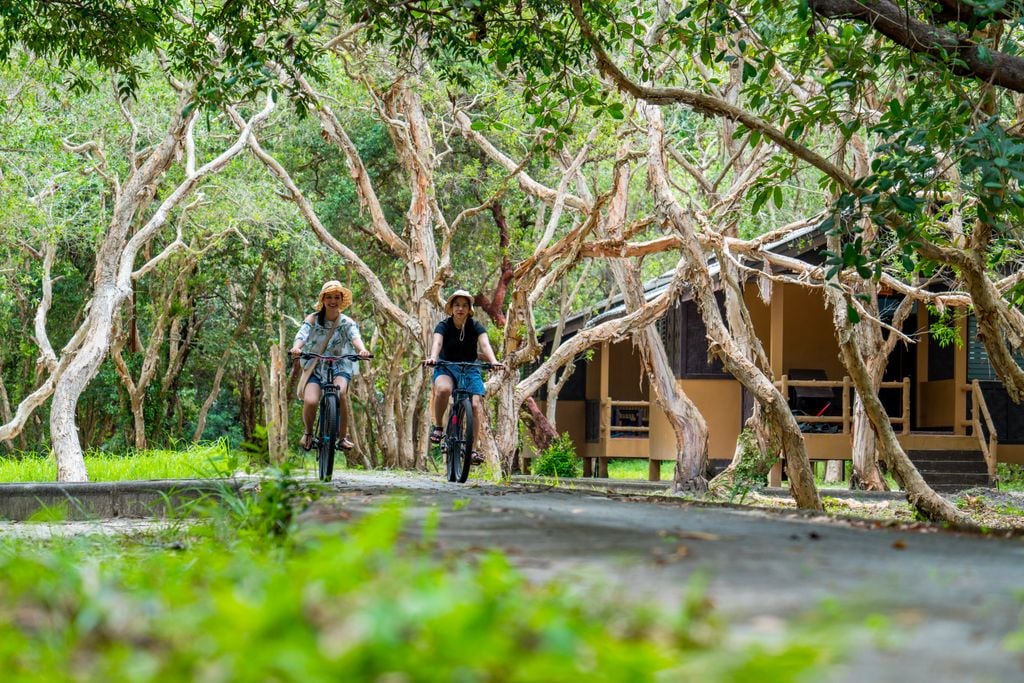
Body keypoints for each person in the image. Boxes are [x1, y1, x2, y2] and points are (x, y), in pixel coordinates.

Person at [289, 280, 370, 452]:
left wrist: (362, 350)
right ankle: (309, 433)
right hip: (316, 365)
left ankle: (342, 437)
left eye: (336, 297)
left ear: (341, 300)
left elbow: (355, 338)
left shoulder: (347, 322)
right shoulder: (313, 319)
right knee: (310, 401)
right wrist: (297, 348)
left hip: (340, 365)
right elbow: (301, 336)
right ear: (323, 300)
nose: (333, 301)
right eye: (329, 297)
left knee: (340, 393)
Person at [424, 289, 503, 464]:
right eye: (457, 305)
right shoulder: (443, 326)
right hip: (445, 366)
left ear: (469, 309)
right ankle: (438, 427)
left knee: (475, 405)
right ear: (451, 308)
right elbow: (437, 342)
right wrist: (433, 358)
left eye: (464, 305)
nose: (460, 308)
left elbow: (484, 344)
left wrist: (494, 361)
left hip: (470, 367)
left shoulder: (476, 327)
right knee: (444, 389)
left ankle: (472, 450)